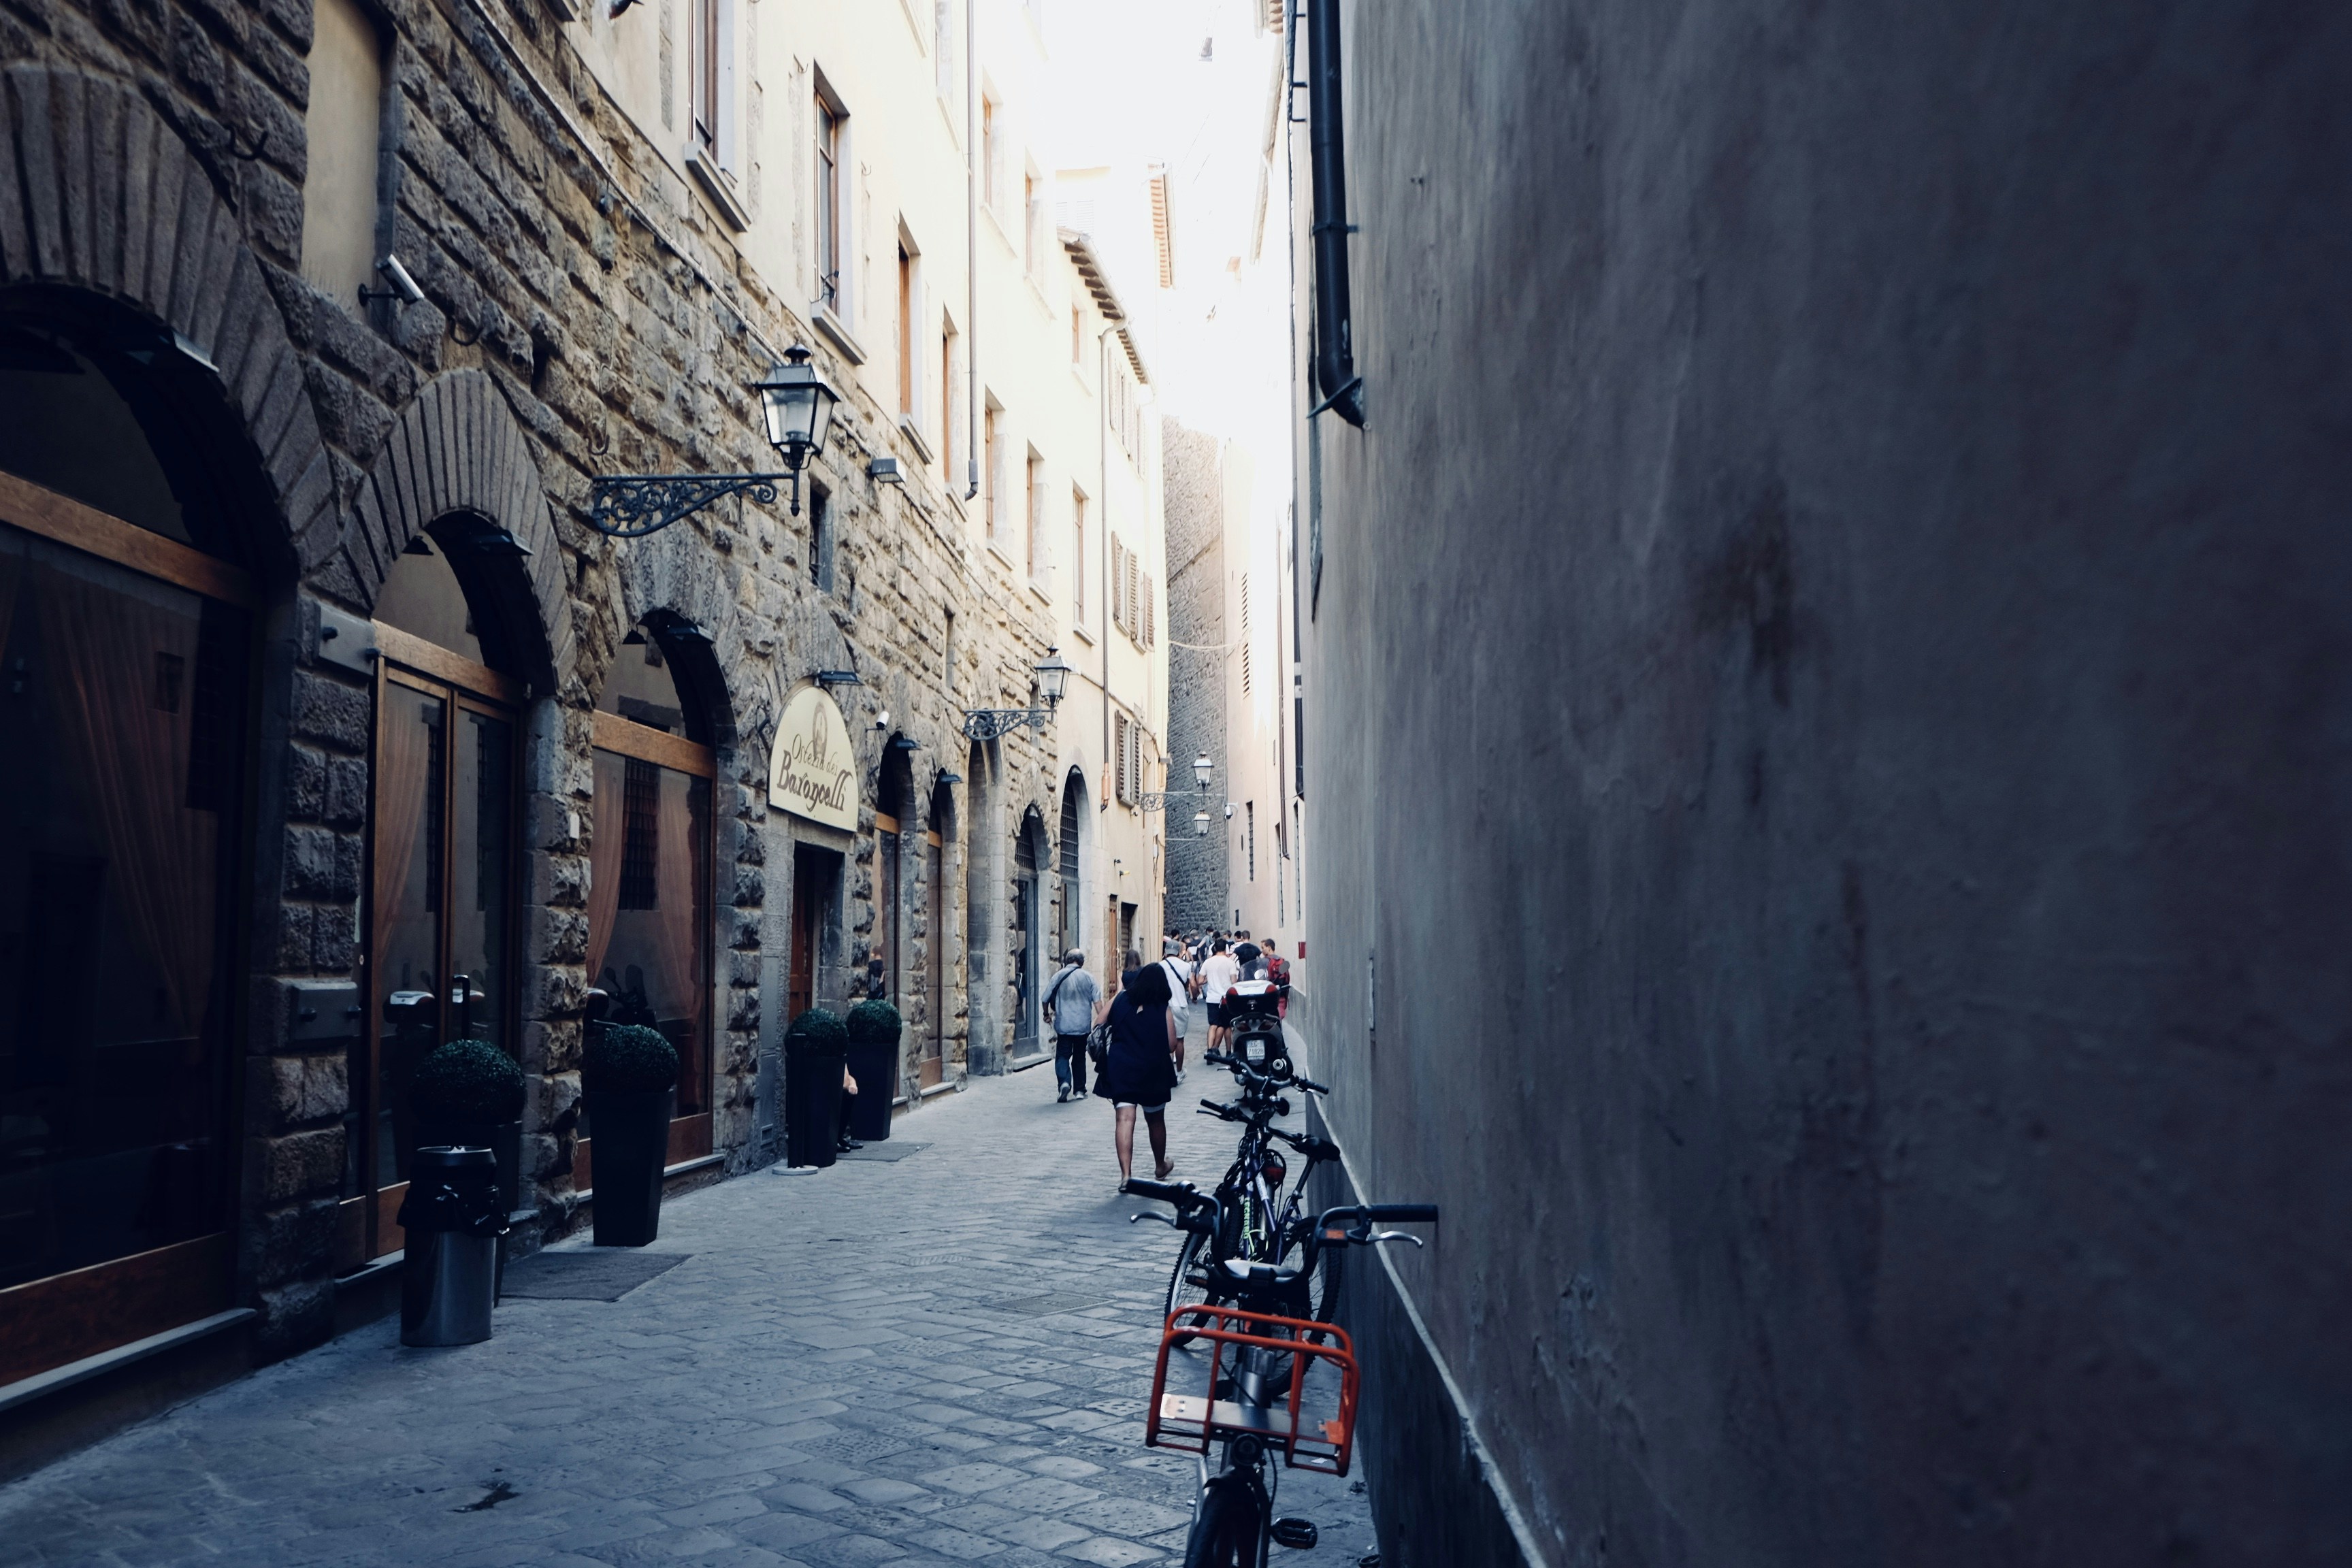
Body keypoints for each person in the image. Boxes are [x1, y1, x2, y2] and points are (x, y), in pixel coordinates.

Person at [1093, 959, 1180, 1186]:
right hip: (1153, 1069)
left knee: (1124, 1119)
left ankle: (1126, 1176)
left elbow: (1099, 1022)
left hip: (1122, 1067)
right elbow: (1172, 1044)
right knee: (1155, 1120)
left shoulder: (1120, 998)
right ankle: (1160, 1166)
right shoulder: (1163, 1007)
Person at [1043, 948, 1100, 1102]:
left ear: (1067, 960)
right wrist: (1102, 1022)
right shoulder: (1089, 978)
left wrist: (1046, 1014)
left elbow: (1045, 997)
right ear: (1081, 962)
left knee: (1062, 1055)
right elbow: (1098, 1003)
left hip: (1064, 1024)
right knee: (1079, 1057)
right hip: (1082, 1025)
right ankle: (1080, 1090)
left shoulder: (1058, 975)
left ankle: (1064, 1082)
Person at [1198, 939, 1240, 1058]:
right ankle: (1228, 1052)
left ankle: (1210, 1050)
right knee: (1227, 1026)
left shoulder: (1208, 962)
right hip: (1226, 999)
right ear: (1226, 948)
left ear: (1215, 948)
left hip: (1212, 998)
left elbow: (1200, 981)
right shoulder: (1230, 963)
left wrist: (1208, 980)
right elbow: (1233, 981)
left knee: (1213, 1025)